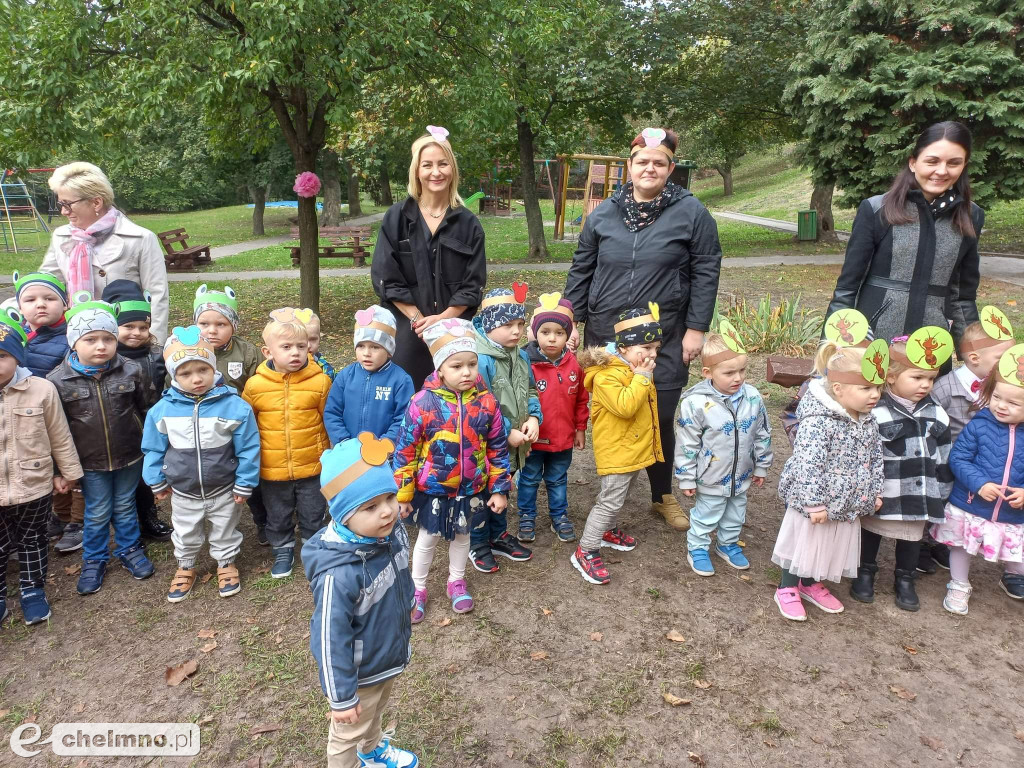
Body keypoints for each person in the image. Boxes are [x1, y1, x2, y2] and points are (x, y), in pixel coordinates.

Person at [565, 127, 722, 532]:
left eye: (659, 162)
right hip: (608, 332)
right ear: (629, 167)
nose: (649, 168)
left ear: (670, 169)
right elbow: (582, 268)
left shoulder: (691, 213)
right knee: (615, 413)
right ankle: (610, 494)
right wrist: (571, 318)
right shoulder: (603, 213)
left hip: (666, 334)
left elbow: (706, 270)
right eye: (642, 161)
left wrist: (696, 328)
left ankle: (661, 495)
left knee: (659, 412)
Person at [303, 435, 419, 768]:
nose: (386, 511)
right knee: (346, 735)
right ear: (343, 515)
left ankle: (372, 750)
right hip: (359, 673)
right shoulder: (337, 576)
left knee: (376, 712)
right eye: (370, 507)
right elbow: (328, 639)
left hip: (385, 657)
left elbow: (400, 574)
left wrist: (407, 600)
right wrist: (341, 698)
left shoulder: (388, 534)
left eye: (389, 498)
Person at [825, 121, 985, 350]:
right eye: (932, 161)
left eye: (954, 163)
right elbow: (847, 288)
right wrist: (831, 348)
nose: (942, 171)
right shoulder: (877, 209)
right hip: (873, 343)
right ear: (913, 162)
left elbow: (963, 296)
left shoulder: (971, 216)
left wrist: (974, 354)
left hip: (931, 348)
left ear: (964, 166)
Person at [392, 318, 512, 622]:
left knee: (463, 535)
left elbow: (497, 447)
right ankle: (417, 587)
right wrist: (403, 494)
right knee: (428, 538)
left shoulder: (487, 403)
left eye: (471, 364)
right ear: (440, 369)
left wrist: (498, 488)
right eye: (457, 366)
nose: (467, 372)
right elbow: (405, 450)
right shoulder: (422, 403)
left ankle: (456, 581)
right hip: (433, 487)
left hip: (471, 487)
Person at [47, 295, 155, 595]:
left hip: (130, 456)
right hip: (89, 462)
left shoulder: (131, 371)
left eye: (108, 338)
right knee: (96, 510)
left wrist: (152, 448)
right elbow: (55, 430)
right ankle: (94, 559)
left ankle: (130, 549)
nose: (101, 346)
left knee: (124, 505)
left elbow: (147, 409)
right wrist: (60, 469)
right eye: (91, 339)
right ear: (73, 342)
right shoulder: (57, 381)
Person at [142, 327, 260, 603]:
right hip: (183, 489)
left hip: (224, 488)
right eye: (185, 373)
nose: (196, 379)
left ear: (213, 368)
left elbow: (249, 448)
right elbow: (152, 448)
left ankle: (226, 562)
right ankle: (185, 565)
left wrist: (245, 481)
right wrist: (156, 480)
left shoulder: (235, 406)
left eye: (202, 370)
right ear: (173, 375)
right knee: (185, 530)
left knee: (225, 528)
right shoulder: (163, 410)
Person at [772, 340, 886, 621]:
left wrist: (874, 492)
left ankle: (809, 583)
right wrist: (814, 504)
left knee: (827, 544)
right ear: (839, 389)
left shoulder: (868, 420)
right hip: (814, 501)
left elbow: (874, 459)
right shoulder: (818, 421)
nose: (875, 395)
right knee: (805, 542)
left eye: (878, 388)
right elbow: (808, 464)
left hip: (845, 500)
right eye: (866, 388)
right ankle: (787, 587)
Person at [370, 127, 486, 389]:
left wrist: (444, 317)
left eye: (443, 164)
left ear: (452, 169)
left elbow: (473, 283)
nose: (436, 172)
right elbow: (385, 276)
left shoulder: (468, 224)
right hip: (407, 329)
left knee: (454, 403)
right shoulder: (396, 217)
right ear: (417, 171)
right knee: (408, 402)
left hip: (454, 331)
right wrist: (418, 319)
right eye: (428, 165)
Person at [851, 331, 954, 611]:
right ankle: (865, 572)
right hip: (884, 491)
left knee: (911, 537)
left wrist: (943, 490)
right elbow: (864, 455)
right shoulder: (876, 412)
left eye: (930, 379)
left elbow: (943, 455)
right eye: (917, 377)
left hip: (918, 493)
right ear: (892, 376)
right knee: (871, 532)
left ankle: (905, 579)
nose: (925, 385)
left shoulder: (936, 413)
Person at [0, 309, 83, 625]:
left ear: (18, 356)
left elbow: (60, 435)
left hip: (33, 483)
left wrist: (68, 474)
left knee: (32, 540)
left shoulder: (41, 389)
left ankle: (32, 590)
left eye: (2, 356)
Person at [571, 307, 664, 585]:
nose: (652, 355)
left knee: (621, 495)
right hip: (617, 450)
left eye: (656, 348)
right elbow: (625, 407)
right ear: (623, 347)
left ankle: (608, 531)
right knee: (609, 501)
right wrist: (642, 378)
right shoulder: (606, 375)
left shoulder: (632, 368)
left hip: (633, 448)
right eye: (646, 347)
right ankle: (585, 549)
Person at [931, 344, 1024, 615]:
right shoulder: (980, 424)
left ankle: (1014, 575)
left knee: (1015, 550)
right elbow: (959, 458)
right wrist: (979, 483)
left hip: (1012, 510)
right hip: (972, 504)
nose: (1001, 406)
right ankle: (958, 584)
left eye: (1013, 403)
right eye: (997, 397)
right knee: (962, 547)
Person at [675, 329, 773, 577]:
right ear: (707, 373)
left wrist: (761, 465)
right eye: (729, 373)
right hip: (710, 474)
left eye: (742, 370)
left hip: (741, 474)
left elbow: (762, 432)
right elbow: (687, 443)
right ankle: (697, 548)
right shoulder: (695, 403)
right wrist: (686, 477)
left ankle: (728, 544)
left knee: (735, 514)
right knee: (706, 514)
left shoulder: (752, 397)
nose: (737, 378)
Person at [243, 308, 331, 579]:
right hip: (272, 467)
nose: (295, 353)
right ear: (268, 352)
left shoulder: (321, 382)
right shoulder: (256, 386)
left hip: (312, 466)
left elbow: (328, 419)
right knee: (278, 514)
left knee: (313, 512)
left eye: (301, 347)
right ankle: (282, 549)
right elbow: (247, 427)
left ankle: (313, 547)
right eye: (286, 347)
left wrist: (329, 456)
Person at [39, 162, 169, 342]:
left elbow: (157, 297)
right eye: (61, 204)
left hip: (125, 343)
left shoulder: (140, 238)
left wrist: (154, 349)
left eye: (68, 204)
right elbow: (45, 285)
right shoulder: (61, 237)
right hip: (77, 340)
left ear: (96, 202)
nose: (63, 211)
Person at [469, 287, 540, 571]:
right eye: (508, 325)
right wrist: (507, 430)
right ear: (489, 324)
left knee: (502, 487)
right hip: (485, 445)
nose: (516, 331)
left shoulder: (520, 356)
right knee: (480, 493)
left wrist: (533, 418)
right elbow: (480, 403)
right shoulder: (479, 359)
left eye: (521, 325)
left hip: (511, 444)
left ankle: (498, 535)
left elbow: (532, 390)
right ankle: (477, 542)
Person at [13, 271, 84, 552]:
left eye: (49, 298)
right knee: (48, 467)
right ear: (20, 307)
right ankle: (59, 514)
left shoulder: (71, 336)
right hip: (32, 419)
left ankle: (78, 521)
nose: (40, 304)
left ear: (65, 304)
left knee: (73, 469)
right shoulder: (17, 338)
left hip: (70, 416)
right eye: (30, 299)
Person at [192, 284, 267, 543]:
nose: (211, 330)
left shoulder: (247, 352)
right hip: (206, 432)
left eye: (221, 324)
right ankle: (214, 524)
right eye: (204, 323)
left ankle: (263, 520)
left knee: (251, 475)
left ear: (233, 325)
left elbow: (262, 387)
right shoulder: (189, 354)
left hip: (243, 428)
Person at [102, 279, 173, 543]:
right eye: (128, 326)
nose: (136, 333)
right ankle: (126, 527)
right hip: (119, 429)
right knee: (122, 484)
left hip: (150, 425)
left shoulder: (156, 355)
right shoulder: (107, 359)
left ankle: (148, 518)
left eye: (143, 327)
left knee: (145, 478)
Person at [518, 293, 589, 543]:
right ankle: (526, 515)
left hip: (562, 439)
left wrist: (580, 428)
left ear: (568, 335)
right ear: (535, 333)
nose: (552, 338)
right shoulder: (524, 364)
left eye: (559, 332)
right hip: (533, 440)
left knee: (558, 479)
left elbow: (581, 400)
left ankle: (559, 516)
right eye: (545, 331)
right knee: (528, 479)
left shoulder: (575, 365)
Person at [324, 305, 414, 445]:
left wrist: (384, 443)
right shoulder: (345, 376)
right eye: (361, 346)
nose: (366, 353)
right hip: (349, 451)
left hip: (385, 455)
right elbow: (332, 412)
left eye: (375, 347)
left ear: (389, 350)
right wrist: (344, 441)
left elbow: (404, 418)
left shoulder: (401, 380)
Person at [304, 310, 337, 381]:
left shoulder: (326, 370)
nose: (308, 345)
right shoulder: (280, 367)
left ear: (319, 339)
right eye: (303, 340)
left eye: (313, 339)